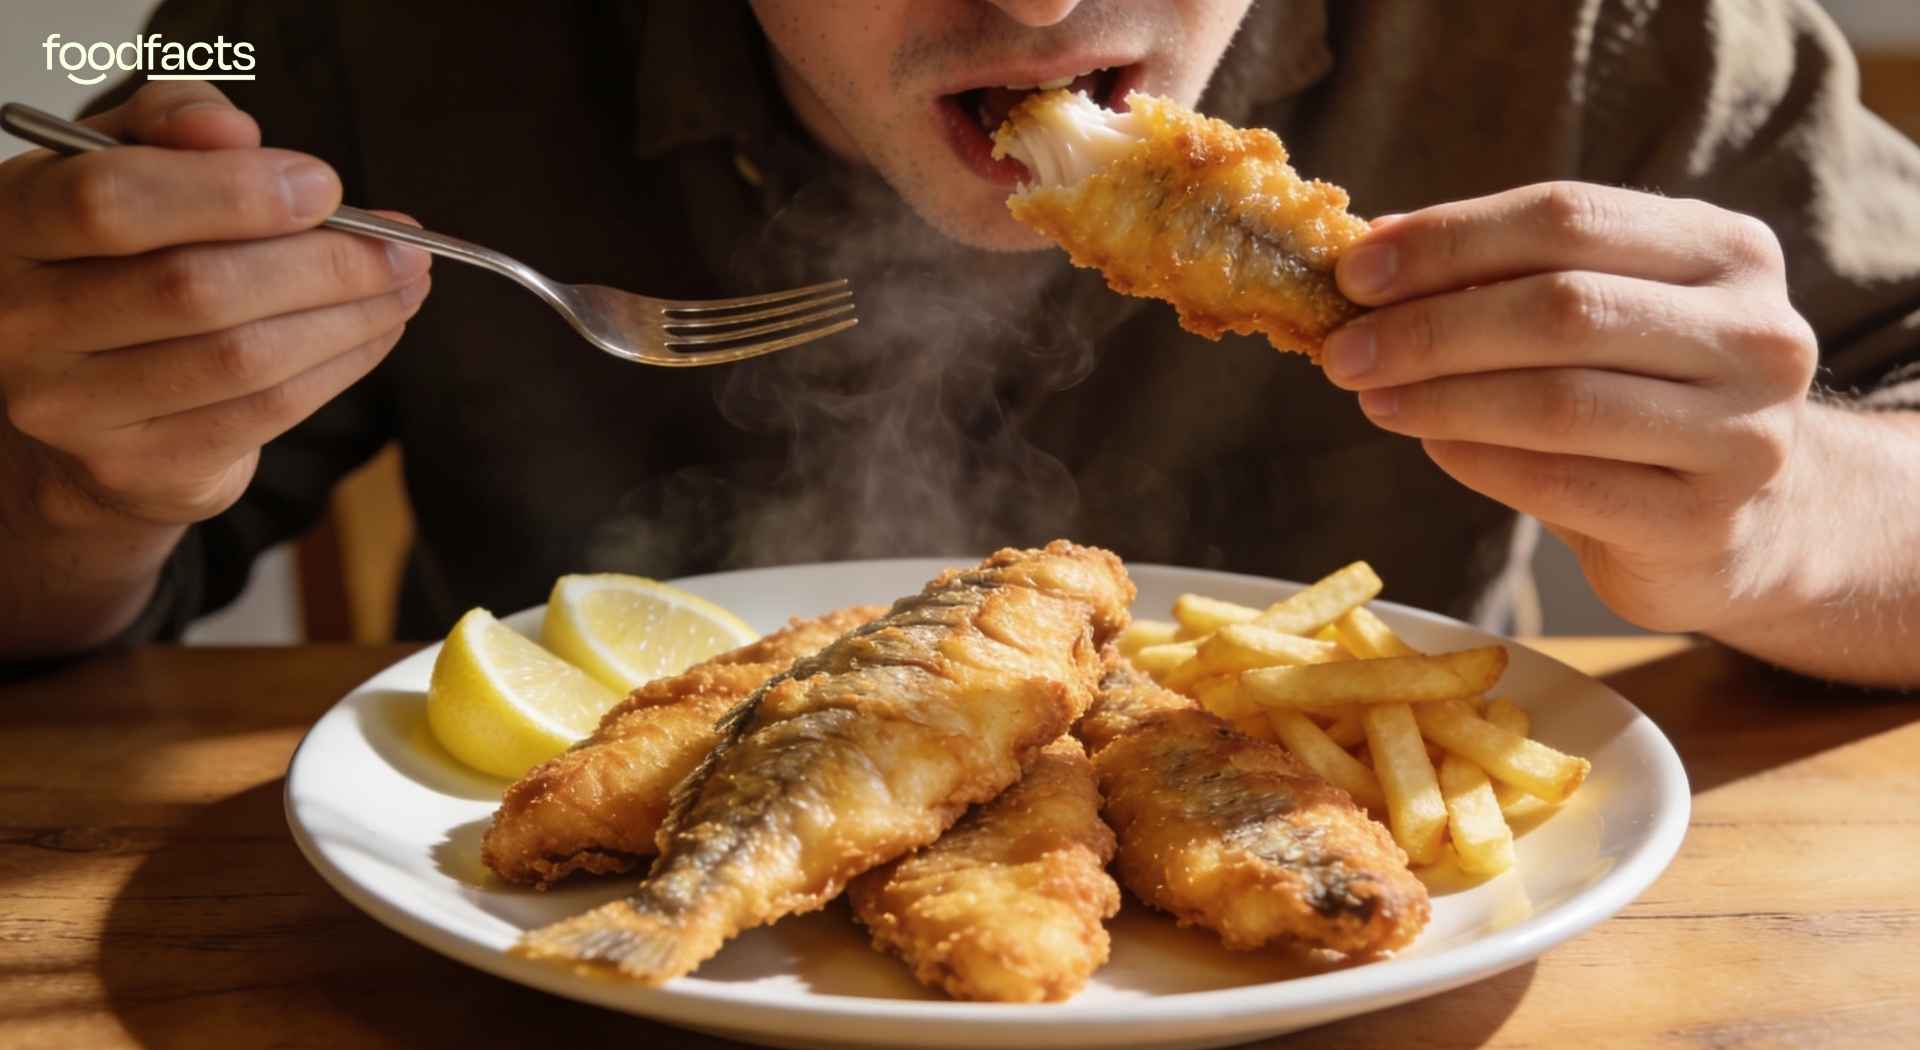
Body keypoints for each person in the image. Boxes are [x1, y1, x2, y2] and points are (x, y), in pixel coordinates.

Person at [1, 0, 1916, 688]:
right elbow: (101, 83)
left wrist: (1792, 512)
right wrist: (75, 483)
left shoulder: (1591, 19)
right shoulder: (318, 28)